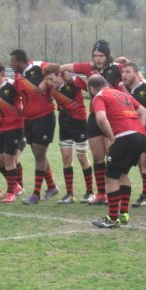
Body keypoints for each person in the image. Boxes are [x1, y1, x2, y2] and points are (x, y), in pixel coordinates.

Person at [60, 40, 122, 205]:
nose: (98, 59)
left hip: (112, 116)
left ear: (107, 55)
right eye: (95, 56)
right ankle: (101, 193)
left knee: (112, 156)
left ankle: (114, 192)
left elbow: (108, 86)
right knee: (97, 157)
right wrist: (71, 77)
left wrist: (81, 81)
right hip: (94, 116)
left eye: (101, 55)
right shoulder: (89, 67)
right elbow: (64, 67)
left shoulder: (116, 68)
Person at [88, 75, 146, 229]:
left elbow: (101, 118)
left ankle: (113, 218)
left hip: (124, 136)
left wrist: (112, 138)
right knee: (122, 174)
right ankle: (124, 214)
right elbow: (143, 111)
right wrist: (137, 130)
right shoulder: (121, 93)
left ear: (91, 89)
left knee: (111, 177)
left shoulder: (99, 97)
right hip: (140, 136)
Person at [9, 49, 60, 205]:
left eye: (12, 61)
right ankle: (51, 186)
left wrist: (45, 82)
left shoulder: (38, 66)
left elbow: (58, 69)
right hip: (29, 119)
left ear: (19, 61)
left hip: (44, 117)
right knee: (39, 154)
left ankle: (36, 194)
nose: (11, 64)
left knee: (39, 154)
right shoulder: (18, 76)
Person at [42, 63, 94, 204]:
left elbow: (90, 87)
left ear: (60, 75)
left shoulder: (73, 81)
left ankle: (90, 192)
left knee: (82, 157)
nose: (49, 82)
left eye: (51, 79)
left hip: (79, 122)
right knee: (66, 158)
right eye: (47, 80)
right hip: (64, 123)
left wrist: (74, 79)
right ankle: (70, 194)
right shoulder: (51, 88)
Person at [120, 62, 146, 207]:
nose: (124, 74)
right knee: (141, 164)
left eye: (128, 72)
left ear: (136, 74)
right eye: (123, 72)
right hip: (135, 130)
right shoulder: (124, 91)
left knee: (145, 161)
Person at [0, 59, 24, 203]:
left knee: (9, 160)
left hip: (14, 127)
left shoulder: (12, 85)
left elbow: (25, 95)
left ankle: (11, 192)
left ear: (1, 72)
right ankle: (15, 185)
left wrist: (22, 110)